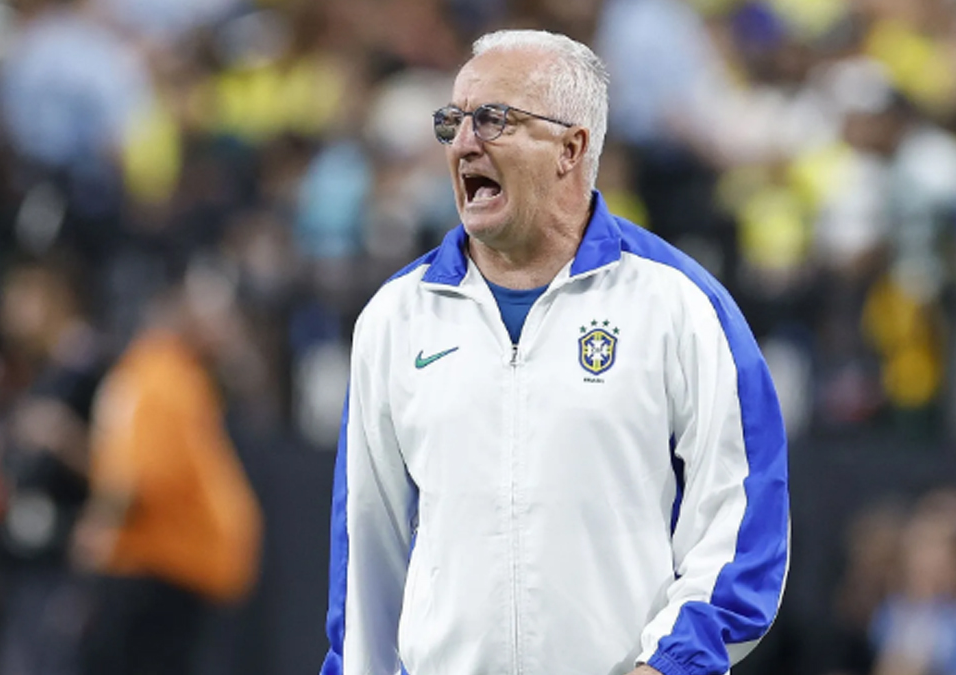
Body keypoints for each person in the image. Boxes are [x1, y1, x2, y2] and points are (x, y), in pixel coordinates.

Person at [323, 30, 790, 675]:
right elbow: (365, 555)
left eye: (493, 120)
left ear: (571, 148)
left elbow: (742, 525)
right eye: (453, 122)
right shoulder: (395, 318)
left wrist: (671, 666)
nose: (463, 143)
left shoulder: (679, 304)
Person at [73, 256, 262, 675]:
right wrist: (99, 536)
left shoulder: (177, 376)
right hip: (157, 576)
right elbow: (133, 477)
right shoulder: (158, 377)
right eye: (215, 312)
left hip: (176, 577)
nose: (227, 326)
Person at [0, 256, 109, 675]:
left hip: (70, 561)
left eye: (24, 296)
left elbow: (123, 472)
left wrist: (64, 438)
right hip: (29, 559)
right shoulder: (40, 370)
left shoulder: (94, 368)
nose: (10, 309)